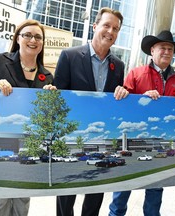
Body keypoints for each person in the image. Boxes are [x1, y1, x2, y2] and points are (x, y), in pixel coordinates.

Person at [0, 19, 56, 215]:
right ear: (18, 38)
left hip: (29, 143)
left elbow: (48, 115)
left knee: (22, 197)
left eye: (38, 37)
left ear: (42, 43)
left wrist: (52, 99)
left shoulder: (46, 76)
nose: (33, 40)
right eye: (28, 35)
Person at [53, 7, 129, 216]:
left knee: (95, 195)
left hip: (102, 140)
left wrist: (122, 92)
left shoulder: (119, 66)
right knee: (66, 196)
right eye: (106, 25)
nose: (110, 32)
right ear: (95, 26)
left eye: (115, 28)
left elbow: (114, 102)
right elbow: (57, 98)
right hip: (72, 138)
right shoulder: (69, 56)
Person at [109, 30, 175, 216]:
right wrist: (140, 98)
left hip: (160, 145)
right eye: (162, 47)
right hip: (134, 141)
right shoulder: (136, 74)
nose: (167, 52)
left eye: (170, 48)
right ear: (152, 50)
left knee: (154, 197)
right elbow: (124, 103)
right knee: (121, 191)